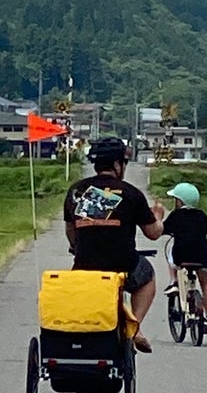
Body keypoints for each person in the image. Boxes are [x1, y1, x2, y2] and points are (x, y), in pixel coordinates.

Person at [63, 136, 164, 352]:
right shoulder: (131, 193)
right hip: (123, 266)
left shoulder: (76, 191)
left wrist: (76, 247)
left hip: (85, 266)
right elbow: (153, 234)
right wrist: (158, 217)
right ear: (117, 164)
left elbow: (71, 230)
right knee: (148, 276)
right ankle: (134, 325)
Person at [162, 182, 207, 332]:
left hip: (182, 254)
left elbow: (164, 229)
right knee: (205, 284)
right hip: (202, 255)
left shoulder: (176, 215)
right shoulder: (201, 215)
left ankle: (173, 282)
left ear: (180, 201)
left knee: (171, 257)